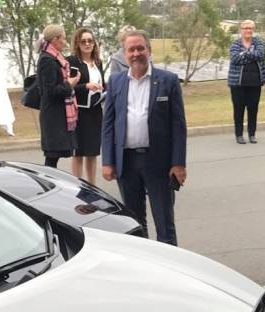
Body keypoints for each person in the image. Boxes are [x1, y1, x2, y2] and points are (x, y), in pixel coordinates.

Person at [101, 30, 187, 246]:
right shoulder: (115, 82)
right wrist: (108, 161)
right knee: (134, 224)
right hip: (126, 163)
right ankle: (145, 269)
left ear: (149, 50)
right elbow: (108, 125)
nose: (136, 53)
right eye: (131, 49)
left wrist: (178, 163)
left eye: (141, 48)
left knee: (164, 224)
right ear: (124, 54)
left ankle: (170, 271)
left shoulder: (168, 81)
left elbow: (178, 126)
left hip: (158, 162)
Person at [36, 24, 79, 169]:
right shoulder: (47, 59)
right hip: (53, 116)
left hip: (57, 114)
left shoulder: (53, 56)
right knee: (52, 158)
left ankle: (48, 186)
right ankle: (47, 188)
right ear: (55, 39)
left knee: (53, 158)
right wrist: (70, 84)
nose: (65, 42)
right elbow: (50, 91)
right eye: (64, 39)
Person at [69, 27, 106, 184]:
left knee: (92, 151)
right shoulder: (72, 62)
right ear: (77, 43)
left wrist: (103, 88)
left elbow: (102, 83)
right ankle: (78, 186)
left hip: (96, 110)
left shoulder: (98, 62)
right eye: (83, 41)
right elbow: (67, 86)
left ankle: (92, 186)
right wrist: (85, 86)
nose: (87, 44)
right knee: (78, 152)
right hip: (79, 112)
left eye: (90, 40)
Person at [228, 20, 265, 144]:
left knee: (253, 108)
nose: (248, 30)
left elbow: (260, 54)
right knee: (238, 109)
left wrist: (244, 54)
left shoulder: (258, 42)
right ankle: (239, 135)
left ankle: (252, 134)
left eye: (250, 28)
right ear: (241, 30)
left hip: (255, 82)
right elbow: (235, 58)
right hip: (237, 83)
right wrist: (251, 54)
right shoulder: (235, 44)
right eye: (245, 28)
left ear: (253, 29)